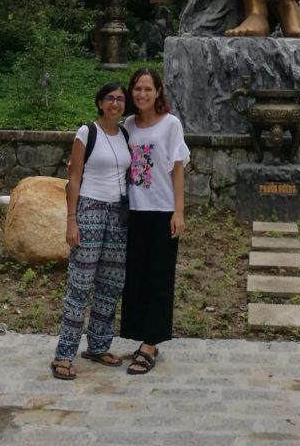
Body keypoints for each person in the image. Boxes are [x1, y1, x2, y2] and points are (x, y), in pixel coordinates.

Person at [51, 81, 131, 380]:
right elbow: (73, 178)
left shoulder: (125, 134)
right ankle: (64, 355)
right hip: (90, 210)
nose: (115, 103)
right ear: (100, 103)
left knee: (110, 285)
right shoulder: (87, 133)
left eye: (120, 99)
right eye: (109, 98)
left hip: (118, 216)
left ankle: (97, 346)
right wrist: (71, 219)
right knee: (80, 285)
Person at [120, 67, 190, 374]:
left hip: (162, 211)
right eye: (137, 89)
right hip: (134, 211)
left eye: (148, 89)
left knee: (160, 277)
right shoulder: (127, 125)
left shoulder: (170, 125)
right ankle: (140, 336)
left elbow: (177, 169)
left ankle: (151, 343)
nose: (142, 94)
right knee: (136, 276)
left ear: (158, 91)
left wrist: (179, 211)